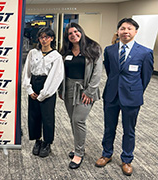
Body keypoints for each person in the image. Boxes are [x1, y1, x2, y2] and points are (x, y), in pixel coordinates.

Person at [95, 18, 154, 176]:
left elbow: (146, 77)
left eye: (129, 29)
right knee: (109, 127)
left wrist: (134, 90)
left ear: (135, 32)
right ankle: (106, 154)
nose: (125, 31)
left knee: (129, 130)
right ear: (118, 31)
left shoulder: (145, 52)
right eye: (122, 28)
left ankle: (127, 159)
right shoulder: (109, 50)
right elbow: (110, 71)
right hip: (111, 95)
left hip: (132, 97)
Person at [59, 22, 102, 169]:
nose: (73, 35)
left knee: (78, 120)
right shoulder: (65, 51)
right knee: (72, 120)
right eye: (70, 33)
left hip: (86, 89)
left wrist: (89, 92)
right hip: (69, 88)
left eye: (76, 32)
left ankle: (79, 153)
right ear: (67, 36)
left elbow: (97, 73)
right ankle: (78, 145)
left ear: (81, 32)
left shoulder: (93, 48)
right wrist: (61, 90)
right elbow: (60, 72)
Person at [23, 27, 64, 158]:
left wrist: (43, 94)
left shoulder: (56, 56)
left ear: (52, 38)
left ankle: (47, 143)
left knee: (47, 117)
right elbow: (27, 72)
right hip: (34, 84)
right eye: (41, 37)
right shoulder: (33, 53)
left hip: (48, 87)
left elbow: (55, 77)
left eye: (47, 37)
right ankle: (37, 140)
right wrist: (29, 89)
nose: (44, 40)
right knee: (34, 116)